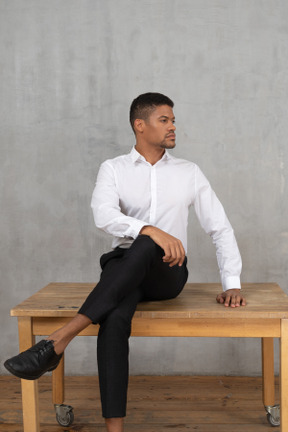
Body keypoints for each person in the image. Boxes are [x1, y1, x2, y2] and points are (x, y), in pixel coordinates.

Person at [4, 92, 246, 432]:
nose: (173, 126)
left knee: (147, 245)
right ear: (140, 125)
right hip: (123, 266)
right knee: (115, 317)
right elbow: (103, 215)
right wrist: (149, 229)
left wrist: (231, 282)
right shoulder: (113, 169)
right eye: (165, 120)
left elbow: (220, 228)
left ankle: (58, 340)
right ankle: (114, 428)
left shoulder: (189, 172)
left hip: (168, 273)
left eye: (173, 120)